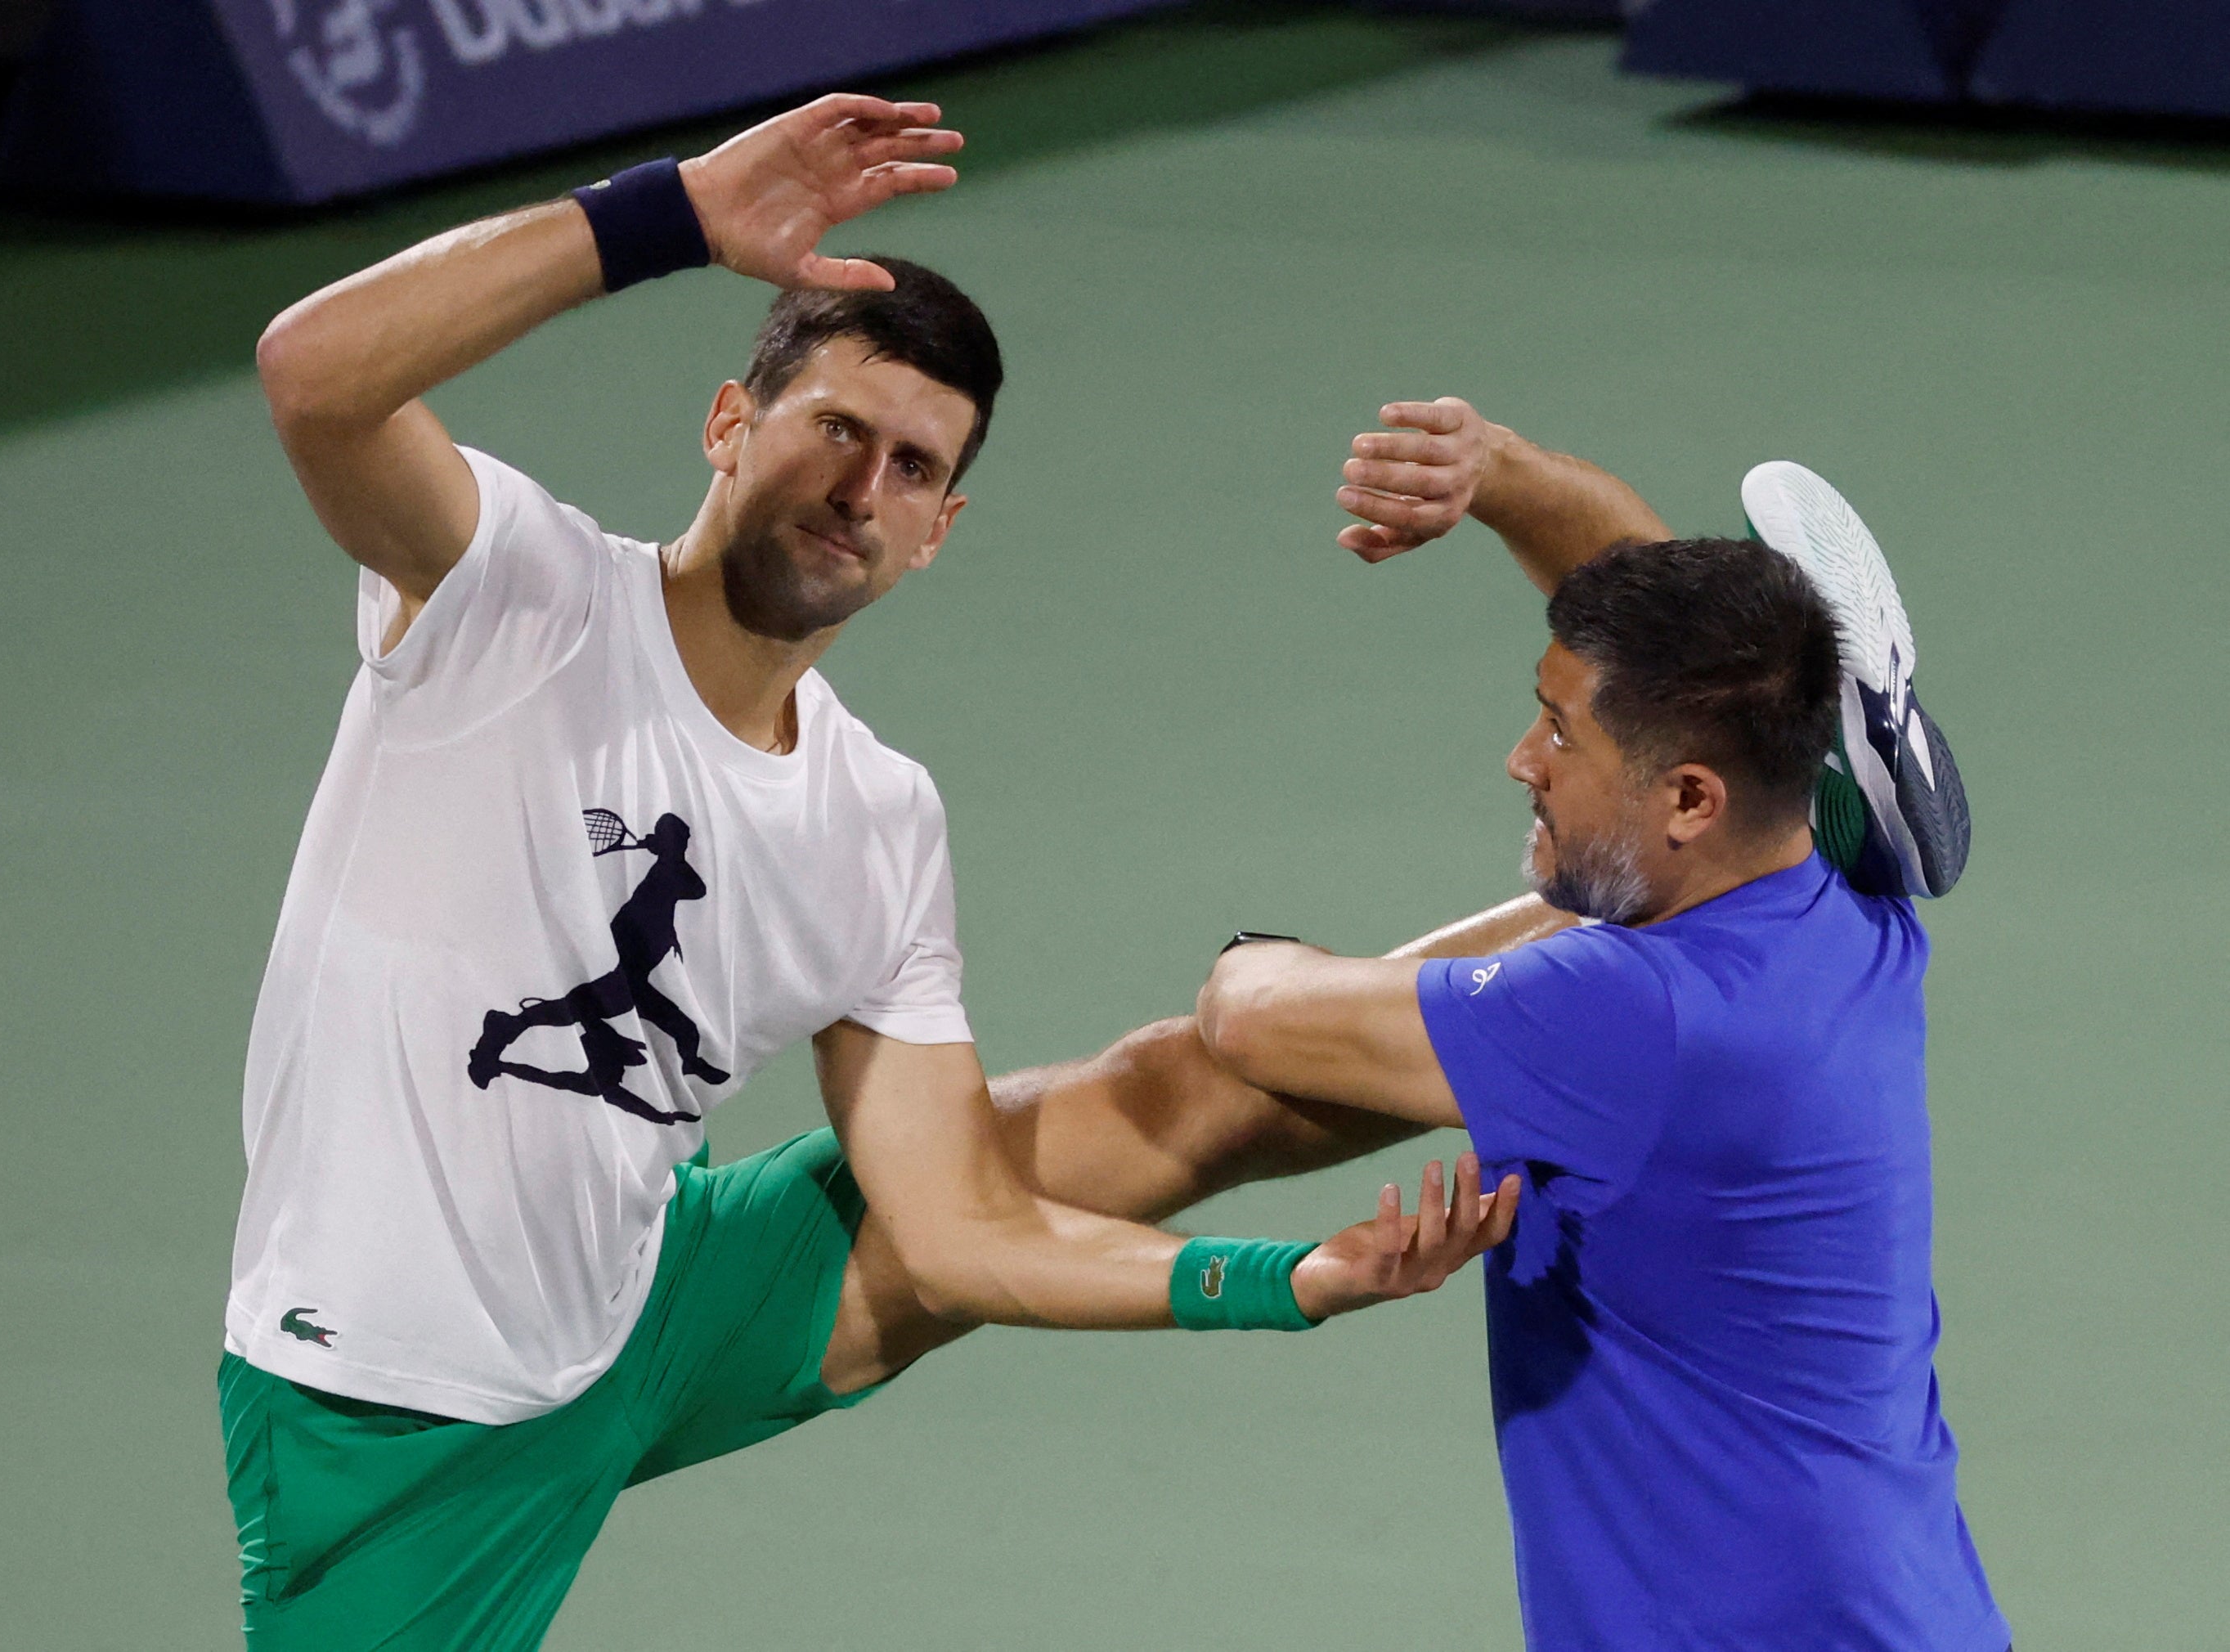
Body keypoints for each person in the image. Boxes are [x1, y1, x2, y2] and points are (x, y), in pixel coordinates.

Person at [221, 95, 1518, 1650]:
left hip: (655, 1297)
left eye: (913, 467)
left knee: (1177, 1096)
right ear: (727, 424)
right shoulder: (510, 590)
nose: (862, 488)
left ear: (938, 531)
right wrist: (671, 214)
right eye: (836, 428)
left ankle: (1592, 938)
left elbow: (959, 1228)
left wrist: (1287, 1279)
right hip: (392, 1408)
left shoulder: (875, 815)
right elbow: (313, 380)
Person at [1156, 396, 2007, 1649]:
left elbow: (1253, 1017)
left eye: (1558, 731)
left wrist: (1255, 951)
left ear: (1690, 797)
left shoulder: (1625, 1009)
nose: (1522, 759)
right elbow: (1657, 618)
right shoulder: (1838, 905)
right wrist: (1497, 473)